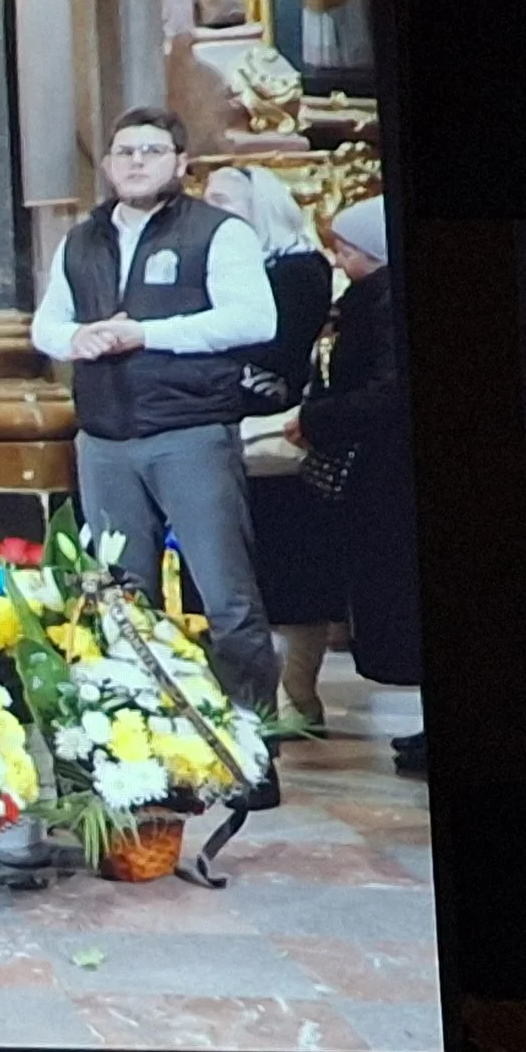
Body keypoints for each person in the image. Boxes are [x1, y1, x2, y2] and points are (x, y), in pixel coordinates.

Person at [30, 106, 281, 716]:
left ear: (181, 163)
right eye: (124, 153)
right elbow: (48, 323)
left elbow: (254, 319)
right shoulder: (82, 238)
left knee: (227, 596)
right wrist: (75, 341)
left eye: (151, 151)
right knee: (121, 593)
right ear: (110, 165)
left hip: (189, 433)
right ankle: (139, 741)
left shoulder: (218, 231)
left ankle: (252, 742)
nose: (136, 162)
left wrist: (147, 333)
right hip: (106, 440)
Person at [288, 195, 423, 772]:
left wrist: (316, 420)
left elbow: (389, 390)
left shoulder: (387, 304)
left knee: (407, 599)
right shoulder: (368, 300)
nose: (339, 261)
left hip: (392, 474)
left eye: (347, 250)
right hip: (377, 471)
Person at [204, 164, 341, 733]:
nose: (209, 210)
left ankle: (298, 695)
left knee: (293, 574)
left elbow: (275, 356)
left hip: (274, 440)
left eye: (223, 200)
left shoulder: (297, 269)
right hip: (218, 434)